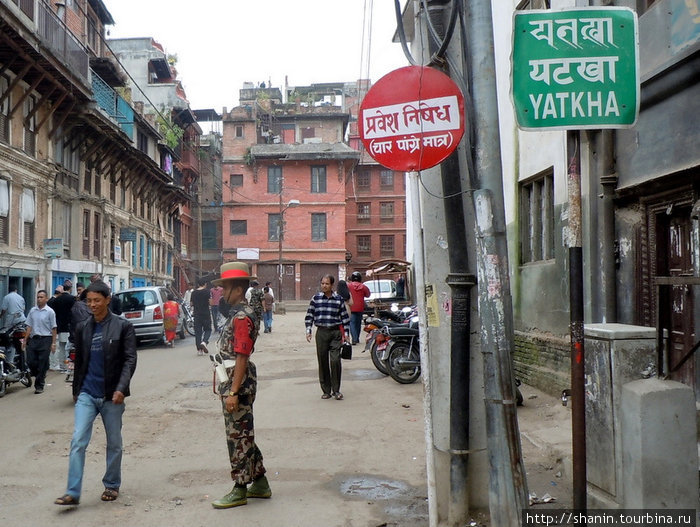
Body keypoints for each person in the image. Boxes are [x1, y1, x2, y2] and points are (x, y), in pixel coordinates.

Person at [54, 280, 137, 506]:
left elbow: (130, 360)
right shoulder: (83, 327)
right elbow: (80, 361)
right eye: (89, 301)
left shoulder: (122, 326)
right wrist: (76, 390)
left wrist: (121, 389)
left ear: (107, 300)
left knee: (114, 443)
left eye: (97, 300)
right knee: (78, 440)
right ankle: (72, 491)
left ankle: (111, 485)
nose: (92, 305)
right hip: (87, 394)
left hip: (112, 395)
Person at [210, 262, 271, 509]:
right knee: (243, 434)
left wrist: (234, 392)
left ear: (236, 288)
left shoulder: (242, 316)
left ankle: (239, 489)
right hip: (231, 378)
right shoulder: (238, 314)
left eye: (225, 287)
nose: (222, 293)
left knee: (238, 438)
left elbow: (242, 355)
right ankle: (261, 482)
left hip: (238, 381)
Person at [304, 275, 351, 400]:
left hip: (335, 333)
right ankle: (326, 390)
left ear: (332, 285)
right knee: (322, 360)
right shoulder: (316, 299)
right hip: (321, 333)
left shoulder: (338, 299)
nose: (324, 286)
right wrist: (308, 330)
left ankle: (336, 390)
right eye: (323, 283)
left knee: (335, 360)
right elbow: (309, 316)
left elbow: (345, 319)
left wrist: (346, 335)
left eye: (327, 284)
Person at [23, 290, 57, 394]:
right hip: (34, 339)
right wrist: (25, 340)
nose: (39, 299)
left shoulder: (50, 312)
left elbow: (54, 328)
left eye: (41, 297)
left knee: (42, 362)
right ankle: (40, 373)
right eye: (38, 297)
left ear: (46, 299)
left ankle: (39, 385)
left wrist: (53, 343)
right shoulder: (33, 311)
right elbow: (29, 326)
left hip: (46, 339)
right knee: (30, 361)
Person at [48, 285, 76, 371]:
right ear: (70, 289)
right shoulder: (72, 299)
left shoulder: (56, 300)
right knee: (66, 347)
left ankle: (58, 365)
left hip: (58, 326)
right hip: (68, 326)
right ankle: (64, 366)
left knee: (60, 347)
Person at [347, 271, 370, 345]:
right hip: (360, 308)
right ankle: (357, 338)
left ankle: (354, 338)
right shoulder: (363, 286)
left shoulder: (349, 286)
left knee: (352, 323)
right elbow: (368, 295)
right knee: (358, 323)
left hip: (351, 307)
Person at [191, 278, 212, 355]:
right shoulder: (207, 292)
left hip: (197, 314)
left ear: (198, 284)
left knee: (198, 332)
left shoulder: (193, 293)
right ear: (205, 284)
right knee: (208, 329)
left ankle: (199, 350)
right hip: (206, 313)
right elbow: (211, 303)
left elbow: (191, 304)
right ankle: (204, 342)